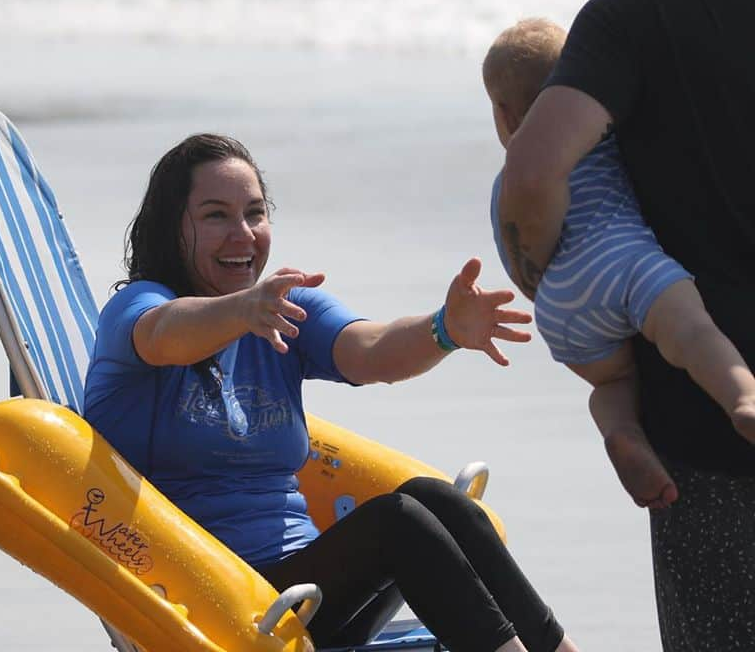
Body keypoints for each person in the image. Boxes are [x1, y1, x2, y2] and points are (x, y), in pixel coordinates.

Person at [84, 134, 579, 652]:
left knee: (433, 498)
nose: (243, 235)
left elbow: (370, 350)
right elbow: (165, 335)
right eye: (215, 216)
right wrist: (243, 310)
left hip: (306, 597)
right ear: (172, 227)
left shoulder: (281, 306)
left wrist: (444, 329)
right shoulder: (140, 308)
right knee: (398, 523)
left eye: (254, 213)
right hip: (213, 601)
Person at [497, 0, 755, 650]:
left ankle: (627, 425)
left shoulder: (636, 16)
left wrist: (544, 275)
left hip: (702, 441)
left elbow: (530, 174)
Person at [482, 18, 755, 510]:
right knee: (692, 333)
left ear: (503, 117)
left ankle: (623, 432)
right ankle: (742, 397)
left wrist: (560, 292)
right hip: (625, 260)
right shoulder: (602, 133)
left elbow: (518, 260)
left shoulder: (508, 185)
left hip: (561, 306)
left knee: (614, 383)